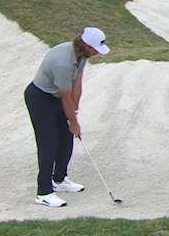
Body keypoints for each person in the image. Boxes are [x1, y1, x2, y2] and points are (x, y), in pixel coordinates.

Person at [24, 27, 110, 208]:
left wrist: (75, 113)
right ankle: (44, 192)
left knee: (66, 137)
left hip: (56, 98)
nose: (96, 53)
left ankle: (59, 178)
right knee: (48, 144)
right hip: (40, 98)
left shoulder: (82, 56)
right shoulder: (63, 61)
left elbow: (77, 83)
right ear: (86, 45)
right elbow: (65, 94)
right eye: (95, 49)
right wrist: (73, 122)